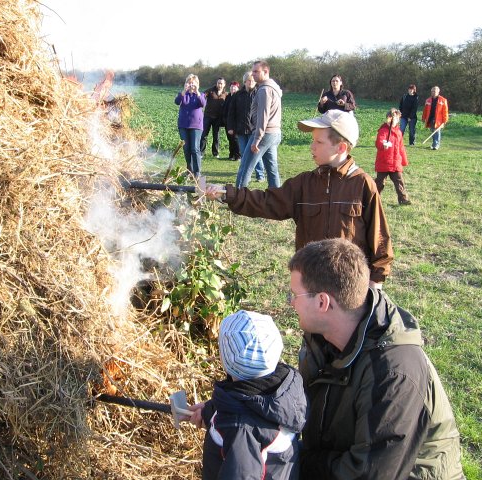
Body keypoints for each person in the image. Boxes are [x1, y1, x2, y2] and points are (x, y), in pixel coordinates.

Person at [287, 238, 465, 479]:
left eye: (294, 295)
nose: (290, 303)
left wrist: (296, 460)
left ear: (322, 302)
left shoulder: (393, 375)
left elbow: (369, 473)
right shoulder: (322, 337)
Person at [206, 109, 393, 289]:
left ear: (341, 147)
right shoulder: (304, 184)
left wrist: (376, 282)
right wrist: (227, 194)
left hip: (349, 286)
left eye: (318, 142)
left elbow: (380, 237)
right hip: (311, 282)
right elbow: (266, 201)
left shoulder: (362, 184)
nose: (312, 147)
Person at [187, 310, 307, 480]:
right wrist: (209, 412)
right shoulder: (284, 388)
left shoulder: (239, 430)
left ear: (226, 360)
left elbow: (241, 474)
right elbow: (242, 404)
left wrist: (223, 423)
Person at [234, 60, 283, 188]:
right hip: (274, 133)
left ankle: (237, 198)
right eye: (253, 71)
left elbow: (263, 116)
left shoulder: (264, 90)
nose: (253, 74)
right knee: (272, 170)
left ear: (266, 72)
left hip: (264, 133)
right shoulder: (274, 88)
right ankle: (277, 198)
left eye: (256, 71)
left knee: (245, 168)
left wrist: (256, 139)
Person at [226, 71, 265, 181]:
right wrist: (230, 127)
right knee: (244, 153)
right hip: (241, 129)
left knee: (256, 153)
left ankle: (260, 175)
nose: (251, 82)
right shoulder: (238, 95)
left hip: (254, 130)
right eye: (249, 80)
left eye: (253, 80)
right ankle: (244, 174)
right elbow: (231, 112)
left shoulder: (259, 93)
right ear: (244, 82)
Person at [375, 108, 411, 205]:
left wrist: (404, 160)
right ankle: (373, 198)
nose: (395, 120)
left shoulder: (398, 132)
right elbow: (379, 142)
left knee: (399, 181)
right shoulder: (383, 130)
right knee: (379, 183)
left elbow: (401, 147)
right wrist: (383, 145)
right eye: (393, 118)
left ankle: (403, 199)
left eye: (397, 118)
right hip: (384, 162)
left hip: (395, 163)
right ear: (388, 118)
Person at [174, 74, 206, 178]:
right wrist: (184, 91)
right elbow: (177, 101)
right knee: (186, 148)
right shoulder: (183, 94)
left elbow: (203, 104)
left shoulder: (200, 95)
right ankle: (189, 170)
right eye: (189, 82)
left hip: (196, 126)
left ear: (197, 84)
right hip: (183, 125)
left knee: (195, 148)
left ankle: (197, 172)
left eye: (193, 83)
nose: (191, 84)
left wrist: (197, 92)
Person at [201, 77, 227, 158]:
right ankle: (201, 153)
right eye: (218, 83)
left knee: (216, 136)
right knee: (204, 135)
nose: (220, 85)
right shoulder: (210, 90)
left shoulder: (225, 94)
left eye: (221, 83)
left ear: (224, 84)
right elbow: (202, 95)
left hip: (218, 118)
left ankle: (215, 153)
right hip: (208, 116)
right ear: (216, 83)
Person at [422, 85, 449, 150]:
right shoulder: (428, 100)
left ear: (438, 92)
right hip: (430, 118)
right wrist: (424, 117)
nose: (433, 92)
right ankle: (434, 144)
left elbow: (445, 111)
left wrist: (445, 120)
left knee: (437, 131)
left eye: (435, 91)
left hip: (438, 119)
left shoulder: (443, 100)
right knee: (432, 131)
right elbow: (425, 110)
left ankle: (436, 145)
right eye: (432, 91)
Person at [223, 81, 241, 161]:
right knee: (230, 138)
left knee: (235, 138)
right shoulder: (228, 97)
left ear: (237, 88)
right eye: (231, 87)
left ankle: (238, 155)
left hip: (236, 121)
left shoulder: (239, 97)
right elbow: (225, 108)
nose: (232, 88)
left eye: (234, 87)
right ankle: (231, 154)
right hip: (227, 121)